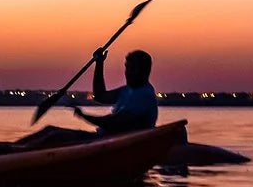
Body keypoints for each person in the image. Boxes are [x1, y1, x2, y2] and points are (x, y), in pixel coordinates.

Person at [17, 48, 161, 149]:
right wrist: (99, 64)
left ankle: (17, 153)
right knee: (49, 130)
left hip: (115, 144)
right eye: (126, 67)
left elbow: (113, 123)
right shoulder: (126, 90)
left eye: (132, 68)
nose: (127, 72)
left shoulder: (144, 95)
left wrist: (83, 115)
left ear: (144, 71)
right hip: (103, 140)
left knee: (56, 136)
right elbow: (100, 96)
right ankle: (11, 148)